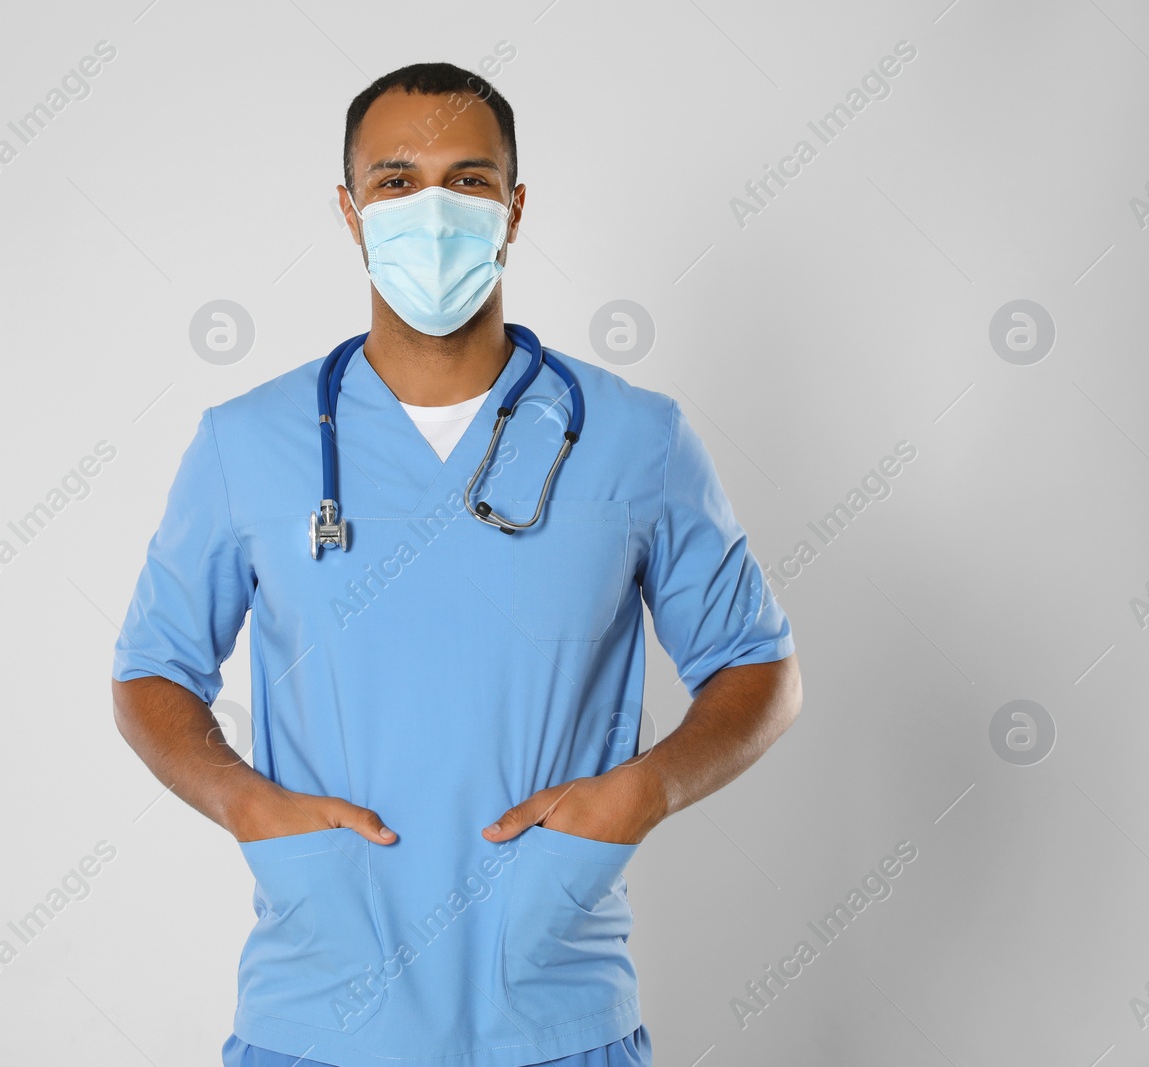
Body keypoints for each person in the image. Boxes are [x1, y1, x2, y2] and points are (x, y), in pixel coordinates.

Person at [111, 62, 803, 1067]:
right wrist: (241, 798)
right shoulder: (247, 444)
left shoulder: (632, 439)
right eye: (395, 180)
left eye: (468, 180)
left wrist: (641, 792)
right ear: (348, 212)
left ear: (514, 209)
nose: (431, 209)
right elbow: (150, 669)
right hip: (318, 1009)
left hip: (555, 1003)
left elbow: (759, 667)